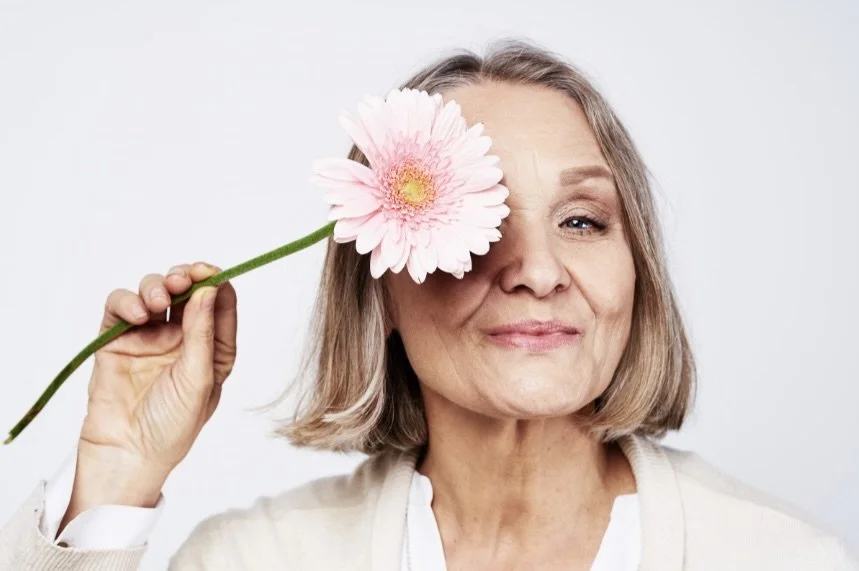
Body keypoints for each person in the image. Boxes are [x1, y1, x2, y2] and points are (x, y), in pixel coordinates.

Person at [1, 39, 856, 571]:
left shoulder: (782, 562)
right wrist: (115, 476)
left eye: (582, 219)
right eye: (483, 226)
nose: (537, 270)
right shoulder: (256, 559)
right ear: (382, 284)